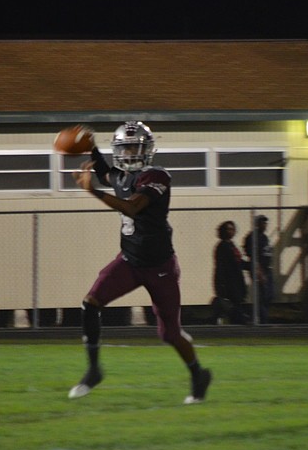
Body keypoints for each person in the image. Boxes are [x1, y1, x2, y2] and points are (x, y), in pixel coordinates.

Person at [68, 121, 212, 404]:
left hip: (160, 267)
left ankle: (198, 374)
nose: (131, 152)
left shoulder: (157, 176)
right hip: (129, 261)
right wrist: (91, 146)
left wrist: (93, 192)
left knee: (169, 333)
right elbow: (105, 171)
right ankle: (94, 370)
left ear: (147, 150)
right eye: (126, 147)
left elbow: (132, 207)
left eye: (136, 146)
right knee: (90, 303)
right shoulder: (120, 176)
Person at [212, 220, 249, 324]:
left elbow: (238, 262)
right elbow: (221, 266)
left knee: (237, 305)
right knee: (234, 308)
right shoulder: (222, 246)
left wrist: (250, 265)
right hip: (229, 282)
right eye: (228, 229)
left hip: (237, 280)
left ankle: (234, 321)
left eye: (232, 229)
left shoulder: (232, 245)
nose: (231, 232)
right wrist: (221, 284)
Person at [243, 214, 273, 323]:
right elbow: (252, 255)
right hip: (260, 270)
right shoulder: (253, 237)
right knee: (262, 295)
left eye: (265, 223)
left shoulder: (264, 237)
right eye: (262, 223)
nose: (264, 225)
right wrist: (259, 271)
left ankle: (261, 317)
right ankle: (261, 320)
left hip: (267, 268)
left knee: (268, 295)